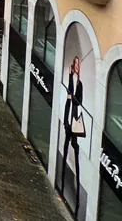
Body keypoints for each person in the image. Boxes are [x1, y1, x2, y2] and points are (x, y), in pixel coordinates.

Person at [60, 55, 84, 213]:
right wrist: (69, 75)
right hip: (68, 118)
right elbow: (68, 90)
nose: (76, 67)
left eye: (77, 65)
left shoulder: (80, 84)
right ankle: (62, 178)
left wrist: (72, 97)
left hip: (75, 119)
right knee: (66, 146)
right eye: (74, 64)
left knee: (75, 148)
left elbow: (79, 100)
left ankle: (77, 180)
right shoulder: (72, 80)